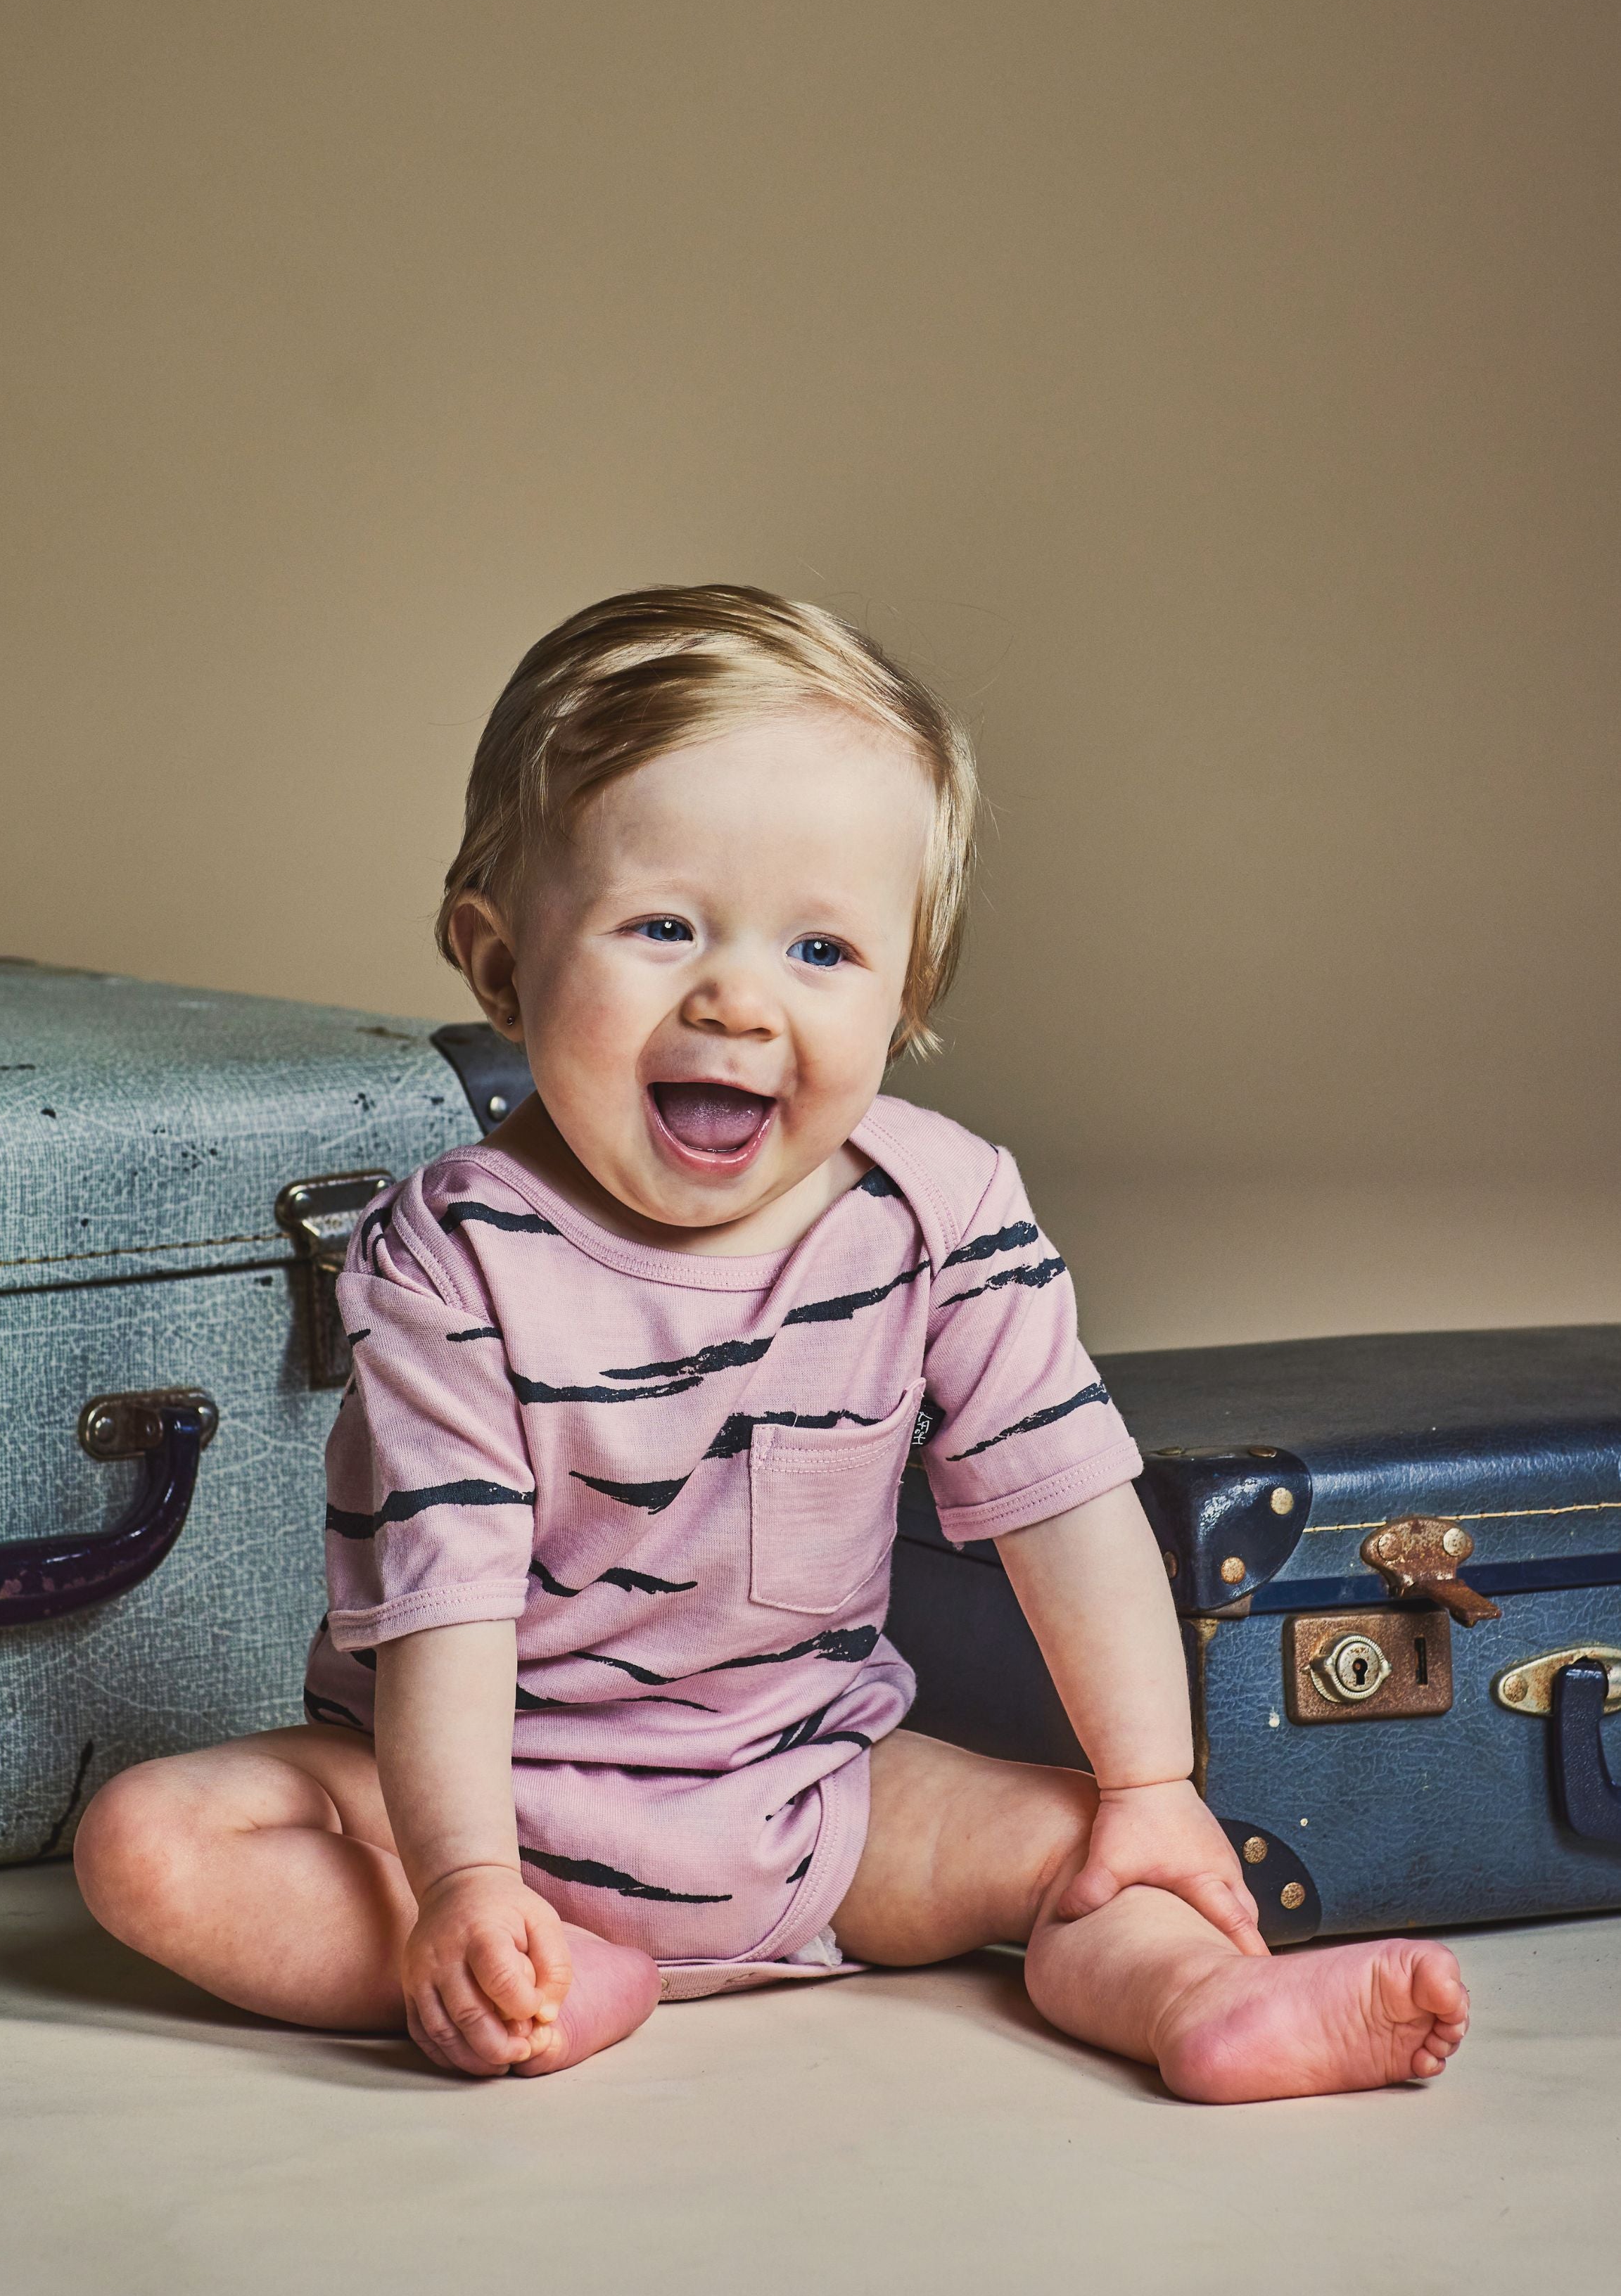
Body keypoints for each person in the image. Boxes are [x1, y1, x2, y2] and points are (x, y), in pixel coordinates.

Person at [75, 586, 1468, 2098]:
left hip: (814, 1790)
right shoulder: (452, 1252)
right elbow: (444, 1601)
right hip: (470, 1802)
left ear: (905, 991)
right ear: (496, 961)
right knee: (149, 1844)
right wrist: (467, 1874)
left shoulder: (938, 1207)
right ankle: (523, 1966)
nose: (737, 997)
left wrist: (1148, 1784)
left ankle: (1193, 1999)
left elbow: (1063, 1500)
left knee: (1089, 1844)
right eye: (662, 926)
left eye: (820, 948)